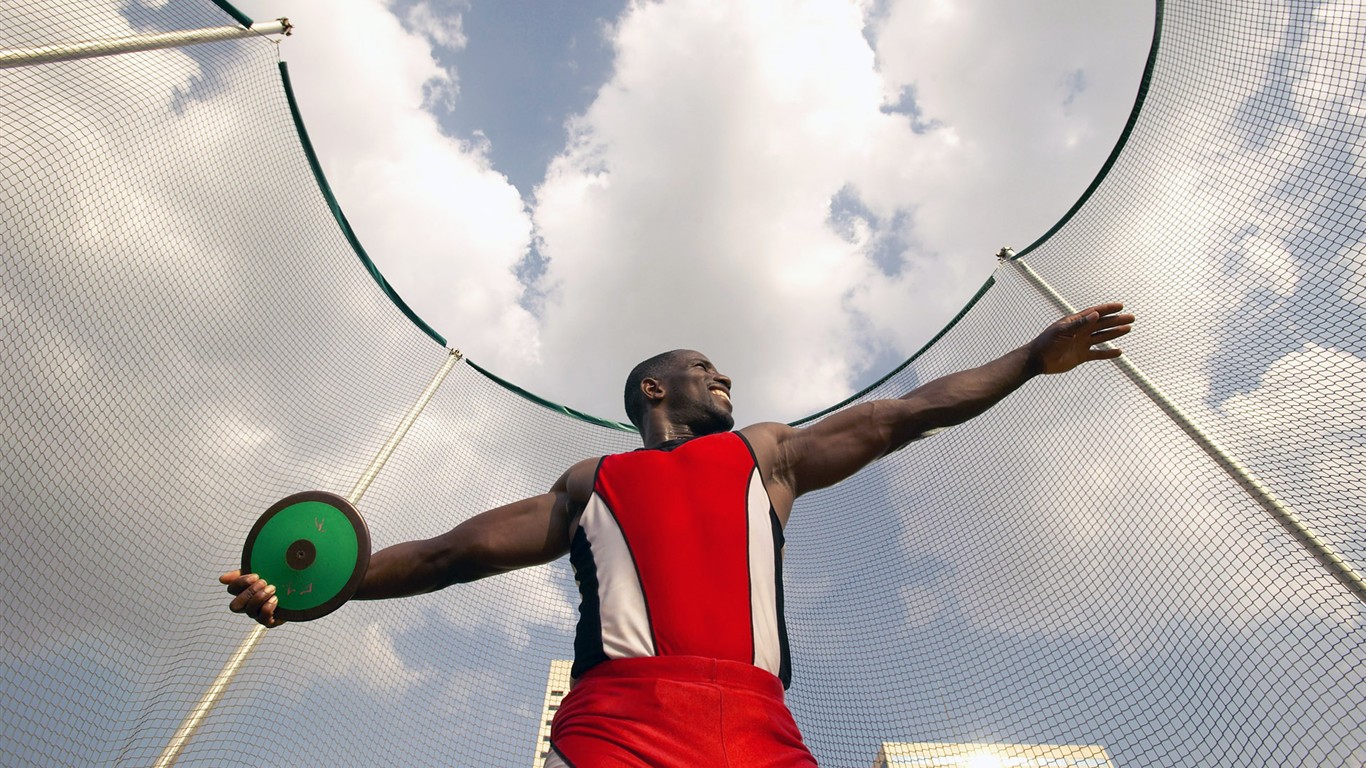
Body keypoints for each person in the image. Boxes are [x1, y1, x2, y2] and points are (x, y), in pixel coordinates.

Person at [222, 303, 1134, 767]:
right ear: (654, 390)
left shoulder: (767, 454)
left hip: (758, 723)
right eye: (703, 368)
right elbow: (448, 555)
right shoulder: (592, 484)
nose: (722, 373)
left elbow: (905, 414)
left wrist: (1028, 360)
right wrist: (312, 593)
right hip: (622, 721)